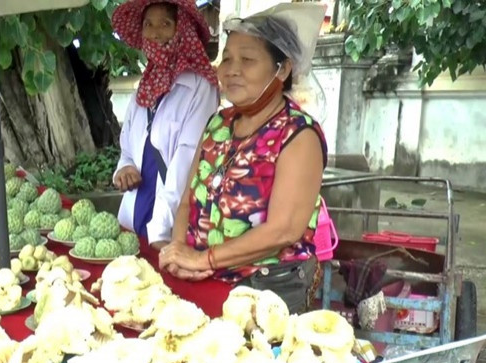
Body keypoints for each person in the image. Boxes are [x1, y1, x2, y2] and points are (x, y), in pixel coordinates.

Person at [158, 3, 329, 313]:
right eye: (227, 59)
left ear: (283, 69)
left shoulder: (298, 134)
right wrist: (179, 248)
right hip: (203, 279)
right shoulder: (218, 124)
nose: (231, 70)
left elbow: (284, 230)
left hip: (265, 291)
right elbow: (187, 200)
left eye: (247, 60)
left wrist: (204, 259)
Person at [112, 0, 220, 250]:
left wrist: (159, 232)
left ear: (181, 29)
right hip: (133, 218)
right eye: (148, 24)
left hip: (170, 228)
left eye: (165, 24)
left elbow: (187, 160)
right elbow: (128, 147)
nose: (155, 32)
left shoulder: (200, 87)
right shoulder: (145, 86)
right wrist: (124, 168)